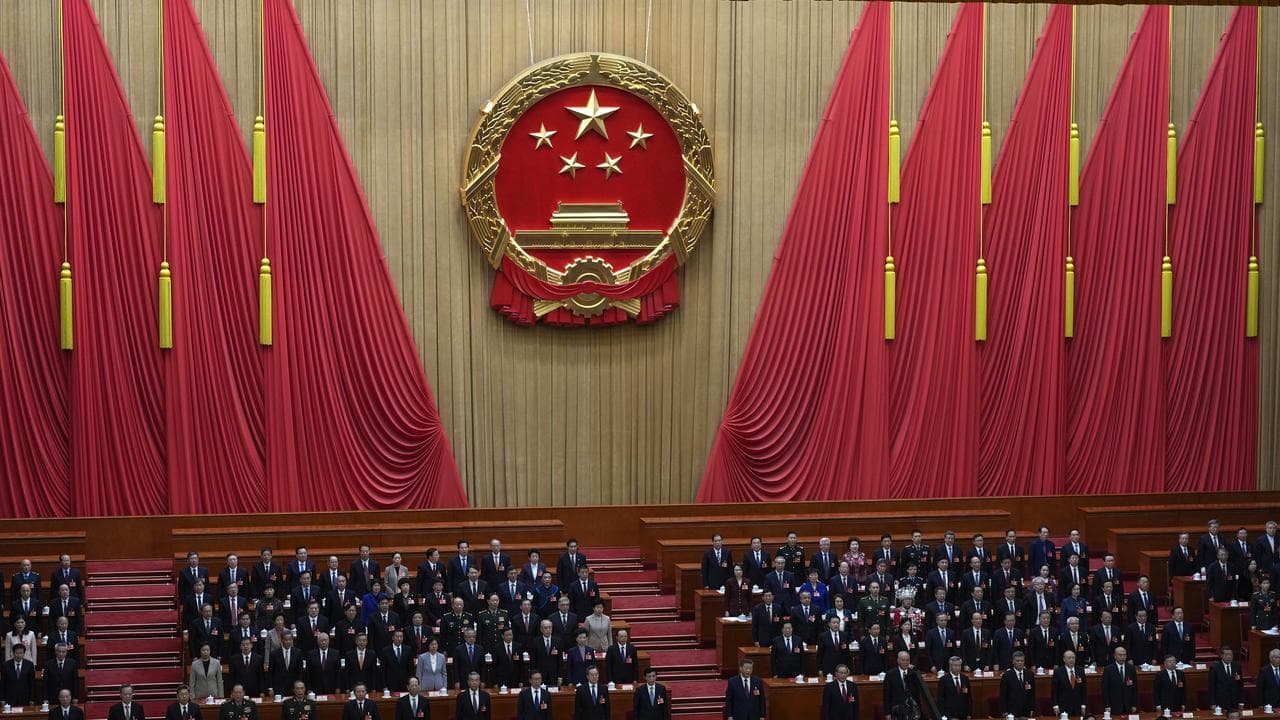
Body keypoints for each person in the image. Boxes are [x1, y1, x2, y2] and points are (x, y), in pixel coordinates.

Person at [884, 651, 924, 720]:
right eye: (903, 660)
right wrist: (887, 713)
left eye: (907, 660)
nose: (905, 662)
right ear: (898, 660)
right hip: (897, 711)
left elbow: (917, 695)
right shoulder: (890, 674)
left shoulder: (914, 674)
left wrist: (919, 710)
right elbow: (886, 695)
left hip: (912, 711)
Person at [1100, 646, 1138, 715]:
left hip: (1128, 706)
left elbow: (1134, 689)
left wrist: (1134, 704)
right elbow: (1105, 689)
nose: (1123, 657)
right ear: (1115, 656)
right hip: (1114, 706)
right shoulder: (1108, 670)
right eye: (1120, 655)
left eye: (1124, 655)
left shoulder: (1131, 669)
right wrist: (1107, 705)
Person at [1208, 646, 1245, 714]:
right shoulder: (1215, 668)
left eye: (1230, 654)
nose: (1229, 657)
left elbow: (1240, 685)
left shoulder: (1237, 666)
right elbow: (1211, 687)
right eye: (1226, 654)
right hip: (1220, 702)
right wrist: (1213, 703)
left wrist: (1241, 701)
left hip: (1234, 702)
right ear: (1221, 655)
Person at [999, 651, 1036, 719]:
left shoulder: (1029, 674)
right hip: (1012, 711)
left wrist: (1032, 708)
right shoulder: (1007, 675)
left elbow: (1032, 693)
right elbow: (1003, 695)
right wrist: (1004, 711)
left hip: (1026, 710)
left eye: (1022, 661)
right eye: (1017, 661)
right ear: (1013, 662)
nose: (1020, 663)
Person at [1051, 651, 1086, 718]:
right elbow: (1054, 691)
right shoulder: (1058, 672)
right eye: (1069, 658)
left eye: (1073, 658)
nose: (1071, 660)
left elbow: (1084, 689)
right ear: (1064, 659)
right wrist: (1055, 705)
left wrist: (1083, 705)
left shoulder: (1080, 670)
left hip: (1077, 707)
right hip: (1063, 707)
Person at [268, 632, 303, 697]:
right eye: (286, 640)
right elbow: (270, 672)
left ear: (292, 640)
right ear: (281, 640)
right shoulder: (274, 654)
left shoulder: (298, 652)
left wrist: (299, 687)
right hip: (278, 687)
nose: (288, 641)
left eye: (290, 639)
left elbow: (300, 671)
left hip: (293, 687)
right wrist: (270, 688)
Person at [529, 620, 562, 688]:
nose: (548, 630)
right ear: (541, 629)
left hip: (554, 674)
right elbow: (533, 661)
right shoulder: (535, 642)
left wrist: (560, 676)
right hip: (540, 675)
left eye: (550, 627)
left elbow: (560, 661)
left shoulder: (558, 641)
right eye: (545, 628)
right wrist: (534, 676)